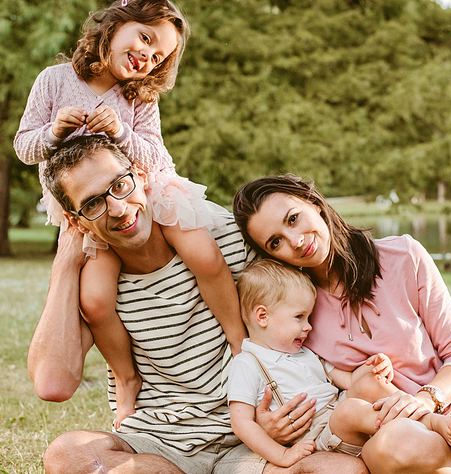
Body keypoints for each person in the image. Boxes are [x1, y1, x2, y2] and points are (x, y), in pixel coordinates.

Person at [28, 136, 368, 474]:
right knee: (66, 454)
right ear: (76, 221)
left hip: (252, 441)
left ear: (141, 177)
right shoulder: (94, 284)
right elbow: (52, 384)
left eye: (119, 185)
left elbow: (309, 283)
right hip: (159, 444)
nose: (117, 208)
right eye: (91, 205)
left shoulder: (221, 237)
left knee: (341, 471)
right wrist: (66, 262)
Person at [15, 0, 246, 428]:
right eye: (145, 38)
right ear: (115, 23)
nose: (148, 56)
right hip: (90, 211)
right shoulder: (53, 80)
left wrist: (120, 132)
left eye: (158, 56)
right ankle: (125, 378)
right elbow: (23, 146)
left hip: (144, 190)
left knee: (204, 255)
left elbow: (156, 156)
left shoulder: (138, 96)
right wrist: (53, 132)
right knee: (97, 300)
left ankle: (237, 342)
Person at [232, 174, 451, 474]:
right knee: (398, 442)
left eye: (293, 218)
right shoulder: (295, 315)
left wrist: (427, 399)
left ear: (314, 202)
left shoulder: (403, 256)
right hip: (384, 436)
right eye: (276, 242)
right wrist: (271, 427)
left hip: (446, 413)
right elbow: (290, 380)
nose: (295, 242)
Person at [228, 258, 451, 468]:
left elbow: (348, 381)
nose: (308, 326)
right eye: (299, 317)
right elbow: (242, 424)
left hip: (337, 416)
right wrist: (282, 456)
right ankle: (415, 429)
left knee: (369, 382)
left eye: (308, 317)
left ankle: (430, 421)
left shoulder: (305, 352)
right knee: (348, 411)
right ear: (262, 316)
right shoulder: (247, 364)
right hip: (317, 436)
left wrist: (372, 368)